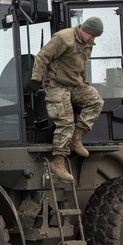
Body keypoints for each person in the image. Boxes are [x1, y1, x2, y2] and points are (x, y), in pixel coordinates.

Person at [24, 17, 105, 183]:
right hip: (56, 84)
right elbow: (42, 57)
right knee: (66, 120)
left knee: (96, 101)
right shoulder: (63, 38)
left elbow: (82, 65)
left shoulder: (87, 43)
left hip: (74, 84)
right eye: (92, 36)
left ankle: (77, 136)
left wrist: (85, 86)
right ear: (85, 30)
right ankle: (58, 161)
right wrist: (35, 79)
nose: (93, 40)